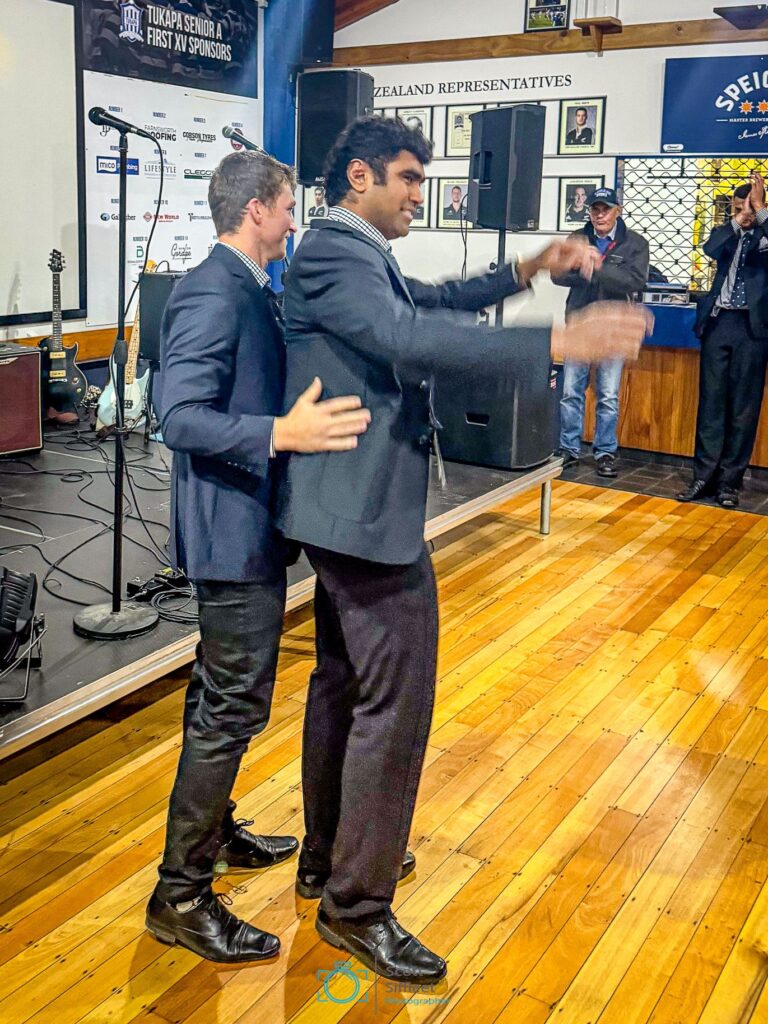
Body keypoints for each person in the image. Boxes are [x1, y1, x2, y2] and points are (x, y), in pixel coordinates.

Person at [277, 116, 650, 984]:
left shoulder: (352, 250)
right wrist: (554, 341)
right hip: (359, 510)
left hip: (347, 508)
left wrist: (525, 269)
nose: (420, 194)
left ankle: (330, 858)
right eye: (408, 178)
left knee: (343, 686)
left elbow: (426, 304)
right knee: (394, 703)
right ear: (361, 176)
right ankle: (357, 905)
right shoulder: (333, 251)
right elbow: (407, 338)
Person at [145, 150, 370, 964]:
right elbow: (178, 416)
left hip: (246, 529)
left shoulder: (246, 284)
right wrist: (282, 432)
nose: (292, 221)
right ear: (256, 212)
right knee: (233, 707)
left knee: (218, 697)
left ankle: (217, 831)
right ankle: (180, 895)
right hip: (229, 537)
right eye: (285, 208)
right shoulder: (214, 289)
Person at [677, 173, 768, 508]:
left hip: (752, 327)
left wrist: (760, 212)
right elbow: (709, 248)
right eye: (738, 205)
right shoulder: (725, 233)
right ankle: (703, 476)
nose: (745, 211)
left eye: (750, 205)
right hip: (719, 322)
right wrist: (738, 220)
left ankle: (730, 483)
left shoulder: (765, 234)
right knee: (711, 404)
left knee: (743, 408)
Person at [553, 186, 650, 478]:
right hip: (579, 324)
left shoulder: (635, 244)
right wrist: (579, 266)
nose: (599, 215)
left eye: (605, 209)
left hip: (613, 329)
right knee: (571, 392)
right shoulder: (577, 238)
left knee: (607, 395)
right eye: (595, 209)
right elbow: (558, 275)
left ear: (617, 211)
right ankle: (568, 449)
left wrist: (596, 268)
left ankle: (605, 452)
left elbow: (634, 282)